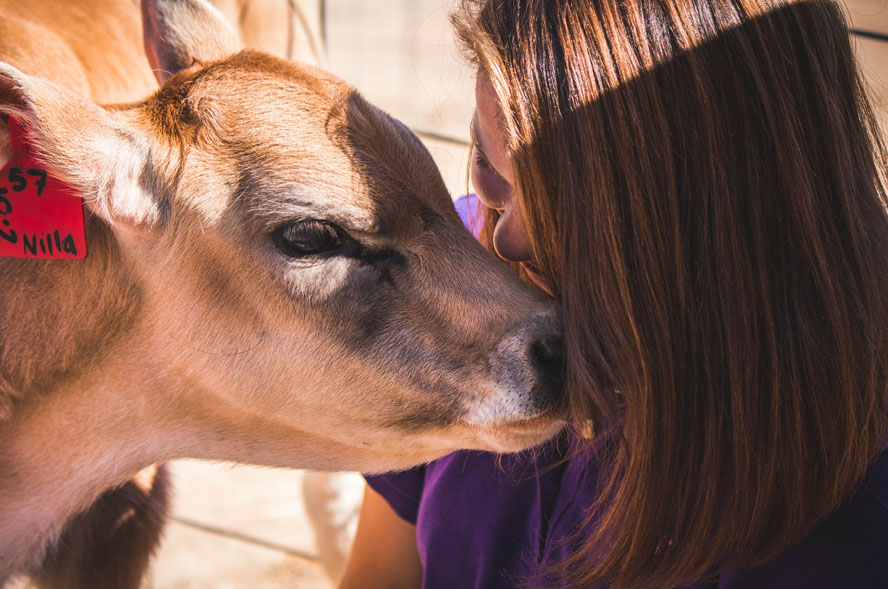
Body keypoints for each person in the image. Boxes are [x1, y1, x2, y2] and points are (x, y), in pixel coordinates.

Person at [339, 0, 888, 587]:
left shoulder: (852, 501)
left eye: (567, 206)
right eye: (487, 163)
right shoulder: (457, 278)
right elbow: (378, 571)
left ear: (723, 208)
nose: (507, 238)